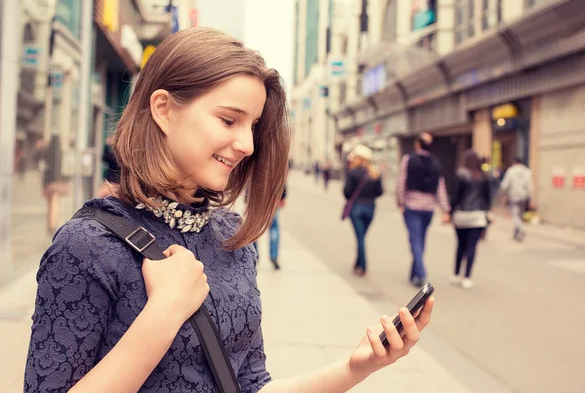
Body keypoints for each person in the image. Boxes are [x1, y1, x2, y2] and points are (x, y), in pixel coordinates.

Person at [24, 27, 433, 393]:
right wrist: (164, 313)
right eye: (228, 120)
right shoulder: (86, 246)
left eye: (252, 125)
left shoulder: (229, 236)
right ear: (164, 109)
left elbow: (250, 383)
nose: (247, 144)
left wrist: (355, 367)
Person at [396, 132, 451, 287]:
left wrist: (400, 202)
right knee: (420, 239)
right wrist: (445, 209)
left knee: (415, 240)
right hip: (428, 208)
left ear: (417, 144)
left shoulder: (408, 159)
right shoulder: (436, 163)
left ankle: (420, 273)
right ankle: (414, 273)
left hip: (412, 206)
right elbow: (440, 187)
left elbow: (401, 182)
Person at [450, 150, 492, 289]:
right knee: (472, 246)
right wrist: (488, 213)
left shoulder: (461, 174)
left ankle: (456, 273)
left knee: (461, 245)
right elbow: (487, 198)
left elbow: (455, 196)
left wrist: (450, 212)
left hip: (461, 215)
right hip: (478, 216)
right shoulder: (483, 176)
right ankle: (467, 277)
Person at [344, 145, 383, 277]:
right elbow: (380, 192)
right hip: (371, 208)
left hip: (357, 208)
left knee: (360, 238)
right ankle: (358, 262)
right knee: (361, 237)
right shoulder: (375, 173)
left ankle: (363, 266)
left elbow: (347, 192)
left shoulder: (353, 172)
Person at [252, 184, 286, 270]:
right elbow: (282, 176)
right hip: (273, 198)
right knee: (273, 228)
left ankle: (254, 254)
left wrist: (247, 199)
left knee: (254, 227)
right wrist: (283, 196)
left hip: (257, 198)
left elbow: (250, 178)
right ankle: (273, 256)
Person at [499, 157, 533, 242]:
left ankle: (520, 230)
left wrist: (502, 194)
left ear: (514, 162)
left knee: (515, 216)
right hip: (524, 196)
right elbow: (530, 186)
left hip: (513, 196)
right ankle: (516, 233)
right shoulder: (527, 171)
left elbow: (505, 185)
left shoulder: (511, 171)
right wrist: (531, 197)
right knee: (520, 216)